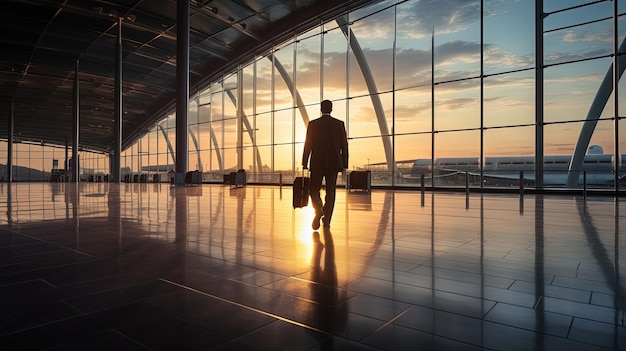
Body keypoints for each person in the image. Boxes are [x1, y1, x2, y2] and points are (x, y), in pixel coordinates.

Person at [302, 99, 348, 230]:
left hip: (317, 162)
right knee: (331, 190)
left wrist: (305, 162)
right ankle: (327, 219)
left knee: (313, 189)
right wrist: (344, 164)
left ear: (321, 109)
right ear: (331, 109)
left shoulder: (313, 124)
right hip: (334, 163)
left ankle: (318, 209)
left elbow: (308, 144)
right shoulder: (339, 124)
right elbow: (344, 146)